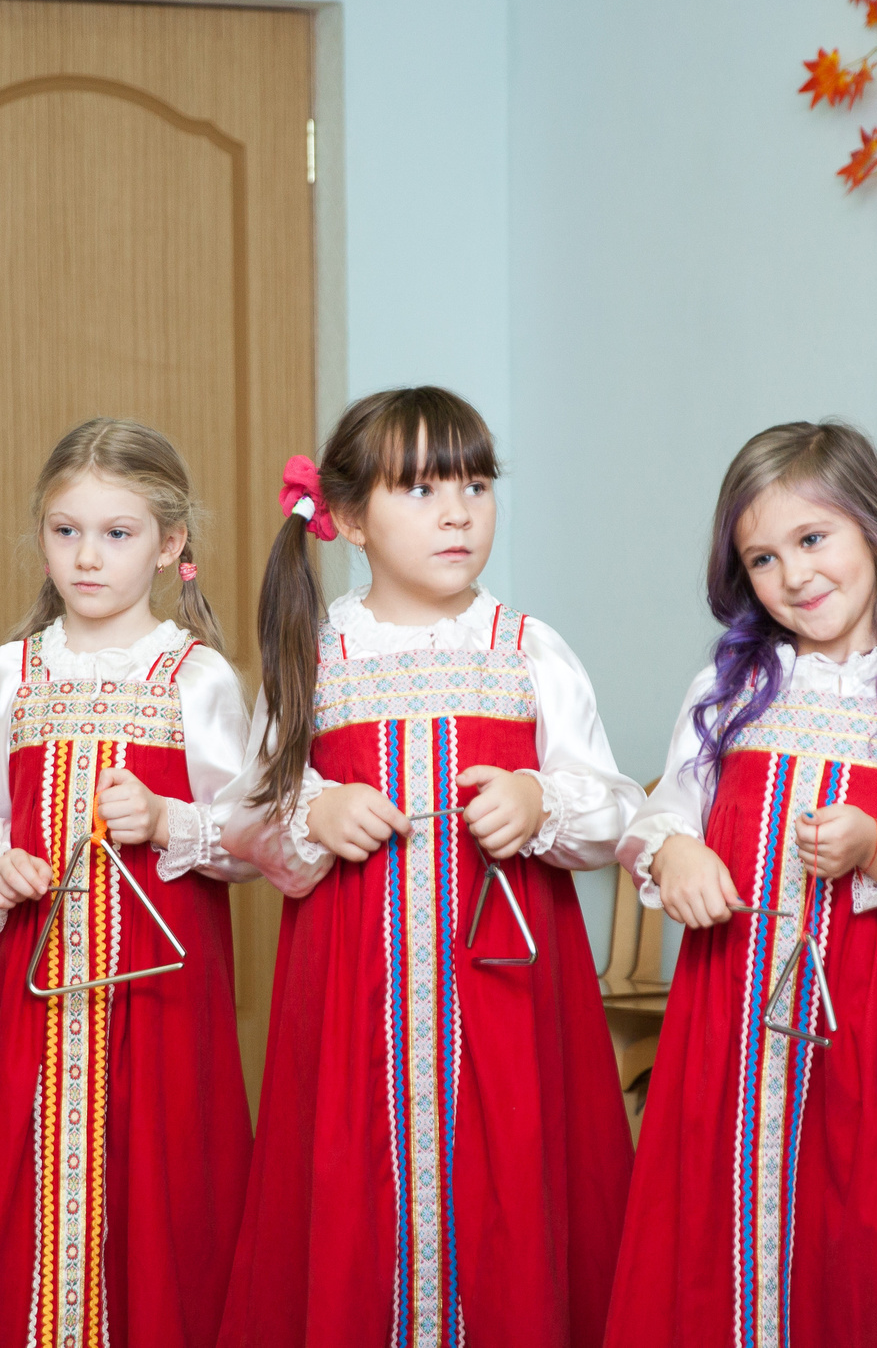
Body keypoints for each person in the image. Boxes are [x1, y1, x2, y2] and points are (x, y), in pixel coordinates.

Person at [214, 387, 640, 1348]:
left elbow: (614, 805)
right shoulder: (316, 655)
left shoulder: (530, 649)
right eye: (421, 487)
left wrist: (540, 801)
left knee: (515, 1178)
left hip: (513, 998)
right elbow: (248, 813)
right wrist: (312, 808)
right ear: (352, 518)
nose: (458, 510)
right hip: (350, 1002)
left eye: (476, 484)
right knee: (353, 1181)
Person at [605, 420, 877, 1347]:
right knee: (720, 1227)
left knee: (859, 1237)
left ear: (874, 529)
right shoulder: (733, 684)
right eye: (762, 557)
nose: (793, 574)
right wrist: (675, 852)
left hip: (871, 1034)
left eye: (812, 538)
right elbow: (662, 809)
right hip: (725, 1022)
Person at [0, 420, 256, 1348]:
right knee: (34, 1165)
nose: (88, 555)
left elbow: (250, 834)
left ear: (170, 544)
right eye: (66, 530)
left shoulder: (194, 676)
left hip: (160, 991)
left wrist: (167, 820)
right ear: (41, 535)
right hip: (37, 986)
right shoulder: (14, 671)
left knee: (158, 1173)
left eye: (118, 533)